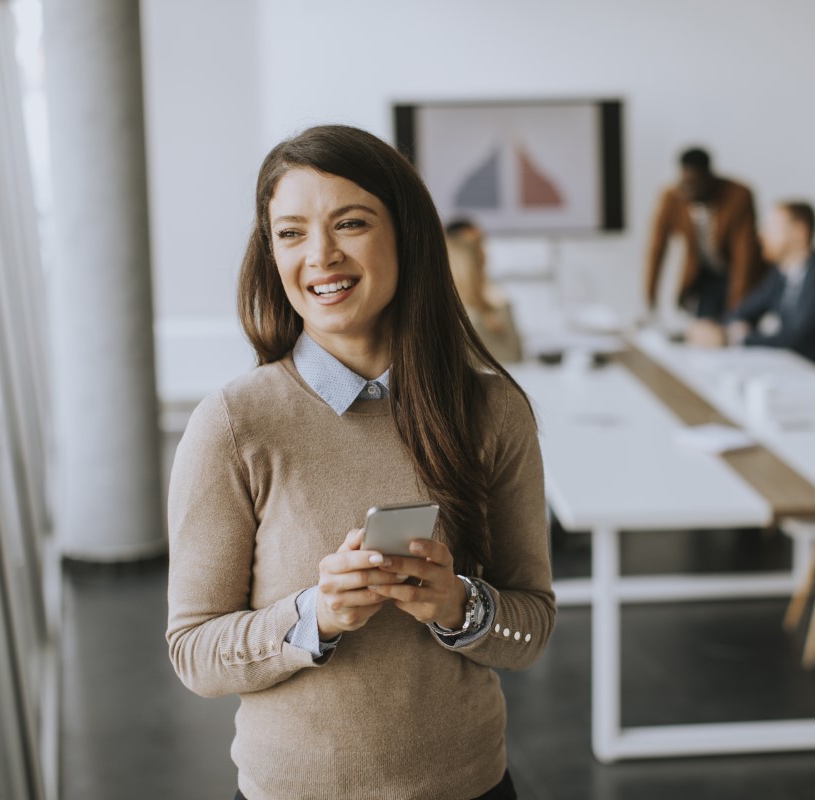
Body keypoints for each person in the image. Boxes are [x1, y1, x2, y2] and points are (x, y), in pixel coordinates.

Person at [166, 125, 554, 800]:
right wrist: (315, 616)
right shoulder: (233, 424)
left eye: (349, 223)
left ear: (406, 235)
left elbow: (532, 629)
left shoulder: (493, 410)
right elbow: (194, 654)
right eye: (290, 233)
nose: (320, 255)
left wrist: (458, 604)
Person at [723, 201, 815, 384]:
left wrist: (738, 338)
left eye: (772, 228)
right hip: (793, 377)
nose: (761, 235)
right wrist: (727, 328)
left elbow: (795, 342)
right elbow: (742, 312)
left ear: (799, 232)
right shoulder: (781, 276)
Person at [644, 147, 766, 321]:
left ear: (709, 177)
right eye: (685, 182)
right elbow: (656, 249)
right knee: (704, 325)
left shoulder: (738, 195)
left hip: (736, 273)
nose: (689, 190)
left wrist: (737, 311)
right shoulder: (672, 197)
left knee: (736, 325)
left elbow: (744, 254)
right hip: (706, 275)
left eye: (695, 183)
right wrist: (650, 300)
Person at [445, 218, 523, 363]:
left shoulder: (492, 301)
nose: (485, 256)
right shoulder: (449, 309)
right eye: (477, 249)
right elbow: (510, 356)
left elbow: (515, 355)